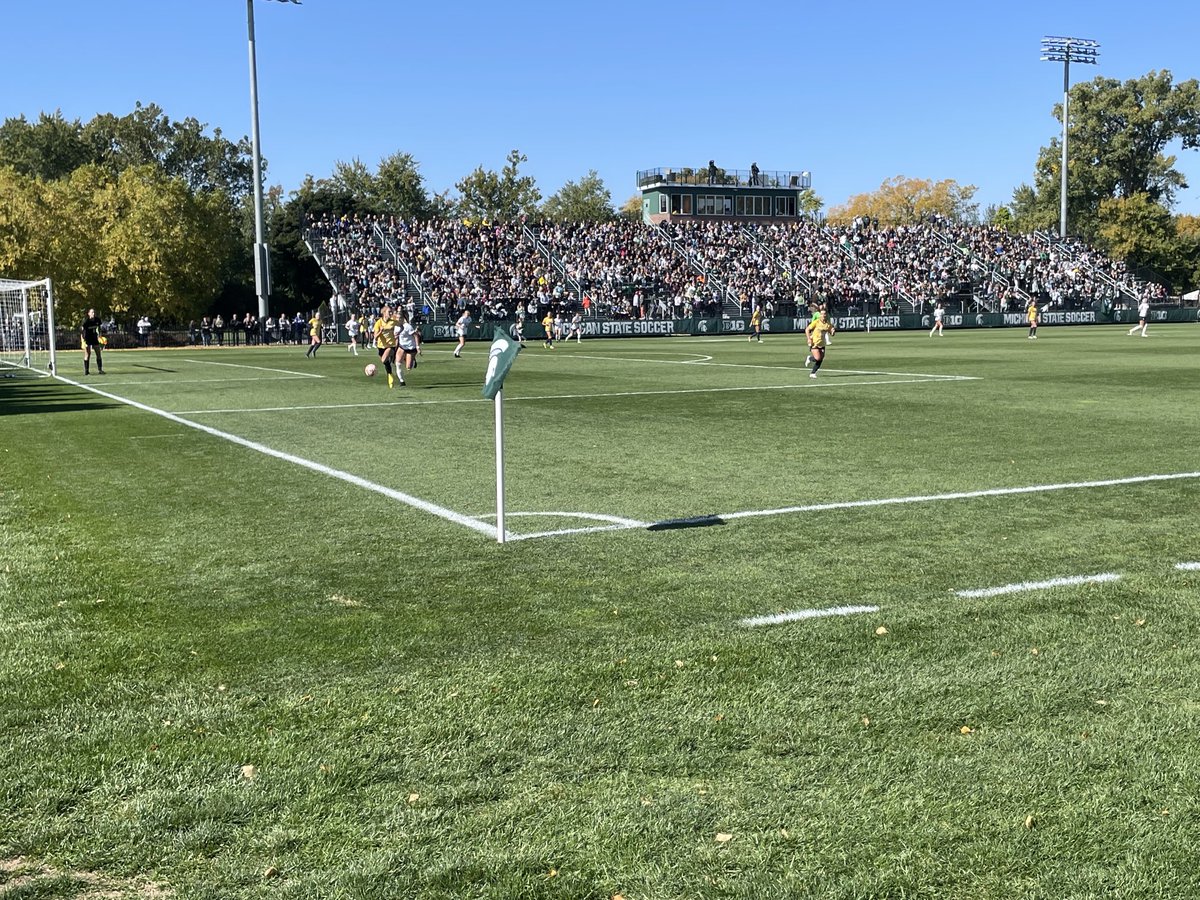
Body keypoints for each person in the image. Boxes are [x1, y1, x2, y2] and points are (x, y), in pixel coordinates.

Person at [372, 304, 404, 388]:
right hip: (381, 346)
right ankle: (390, 375)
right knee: (386, 363)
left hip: (391, 345)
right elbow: (375, 336)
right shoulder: (378, 323)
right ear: (384, 313)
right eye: (389, 312)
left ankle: (392, 355)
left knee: (383, 360)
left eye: (391, 312)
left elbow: (402, 326)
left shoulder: (393, 321)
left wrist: (398, 333)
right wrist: (380, 331)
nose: (391, 313)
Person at [805, 309, 835, 378]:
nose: (823, 315)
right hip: (814, 343)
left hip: (822, 344)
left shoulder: (828, 324)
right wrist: (809, 338)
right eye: (822, 314)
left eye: (824, 314)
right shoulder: (816, 322)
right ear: (820, 315)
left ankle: (813, 373)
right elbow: (807, 329)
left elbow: (831, 333)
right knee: (818, 358)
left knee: (820, 359)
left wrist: (833, 332)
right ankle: (810, 358)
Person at [80, 308, 105, 375]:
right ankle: (86, 371)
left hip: (94, 338)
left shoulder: (97, 320)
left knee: (98, 354)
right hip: (87, 339)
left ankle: (100, 370)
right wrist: (83, 341)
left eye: (94, 312)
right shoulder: (86, 321)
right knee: (87, 354)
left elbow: (99, 328)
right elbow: (82, 331)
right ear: (89, 313)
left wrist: (100, 336)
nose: (93, 314)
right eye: (92, 312)